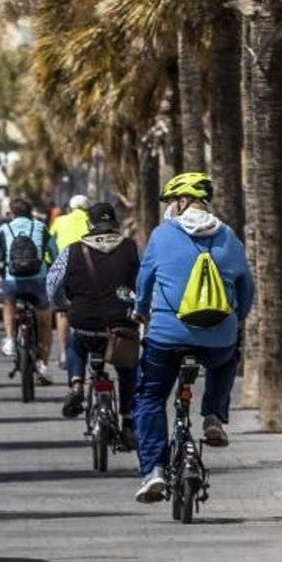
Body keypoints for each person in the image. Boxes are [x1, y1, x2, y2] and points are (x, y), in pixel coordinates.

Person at [132, 173, 254, 504]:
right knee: (227, 359)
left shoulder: (161, 235)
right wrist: (235, 317)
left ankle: (154, 470)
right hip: (218, 338)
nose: (169, 208)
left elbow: (144, 284)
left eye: (172, 202)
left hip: (167, 339)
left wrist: (140, 311)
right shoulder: (230, 237)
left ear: (182, 202)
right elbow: (247, 290)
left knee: (149, 397)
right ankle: (213, 415)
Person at [46, 202, 140, 448]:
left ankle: (76, 385)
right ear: (115, 225)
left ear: (89, 225)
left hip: (84, 323)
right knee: (128, 366)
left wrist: (62, 305)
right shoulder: (130, 248)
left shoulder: (73, 250)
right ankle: (128, 420)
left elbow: (53, 283)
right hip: (120, 326)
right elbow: (142, 283)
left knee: (75, 345)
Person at [0, 198, 52, 382]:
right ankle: (43, 365)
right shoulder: (40, 228)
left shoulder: (4, 229)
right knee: (45, 322)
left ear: (11, 214)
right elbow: (54, 251)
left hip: (13, 281)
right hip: (38, 281)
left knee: (8, 302)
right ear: (31, 213)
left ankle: (9, 340)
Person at [49, 195, 92, 373]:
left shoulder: (59, 221)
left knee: (62, 311)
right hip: (89, 269)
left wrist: (50, 262)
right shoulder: (90, 221)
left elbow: (50, 242)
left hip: (65, 268)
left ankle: (64, 353)